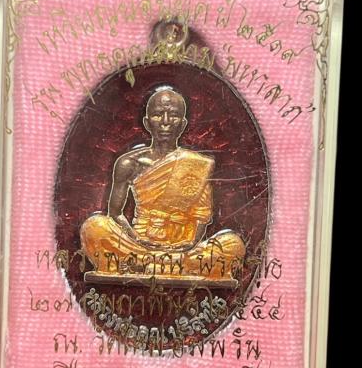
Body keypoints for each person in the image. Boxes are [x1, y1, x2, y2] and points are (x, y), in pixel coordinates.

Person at [80, 86, 245, 281]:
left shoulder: (197, 164)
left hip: (183, 248)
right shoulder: (128, 163)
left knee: (232, 244)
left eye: (173, 115)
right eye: (158, 115)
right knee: (94, 226)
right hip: (139, 243)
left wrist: (190, 244)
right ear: (147, 123)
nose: (165, 122)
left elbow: (202, 215)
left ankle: (146, 265)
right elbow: (115, 214)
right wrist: (137, 239)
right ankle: (173, 266)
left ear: (182, 124)